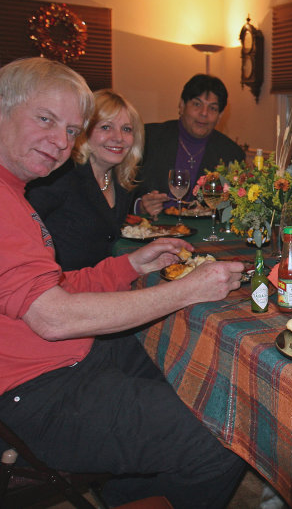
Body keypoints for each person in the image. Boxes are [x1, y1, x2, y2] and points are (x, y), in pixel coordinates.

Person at [0, 57, 246, 508]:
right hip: (33, 393)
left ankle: (125, 489)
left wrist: (130, 265)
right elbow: (53, 317)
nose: (60, 142)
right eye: (46, 120)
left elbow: (54, 284)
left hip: (66, 357)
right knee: (229, 433)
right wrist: (188, 289)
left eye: (72, 130)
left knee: (179, 357)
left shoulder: (14, 191)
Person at [27, 89, 143, 270]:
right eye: (106, 127)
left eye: (126, 129)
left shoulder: (121, 182)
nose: (119, 138)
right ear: (83, 131)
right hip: (59, 287)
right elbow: (22, 236)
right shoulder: (59, 176)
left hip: (102, 284)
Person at [137, 74, 245, 217]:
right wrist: (140, 206)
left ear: (220, 115)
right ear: (181, 105)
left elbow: (234, 209)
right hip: (152, 231)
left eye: (212, 108)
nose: (204, 113)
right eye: (197, 104)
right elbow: (122, 191)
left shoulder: (231, 154)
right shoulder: (148, 138)